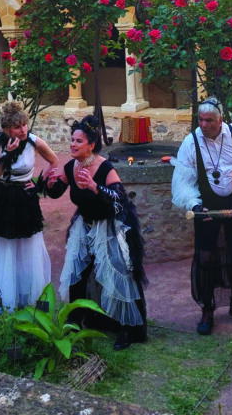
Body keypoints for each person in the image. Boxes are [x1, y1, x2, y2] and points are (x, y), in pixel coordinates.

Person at [45, 115, 148, 351]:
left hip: (110, 225)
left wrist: (95, 186)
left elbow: (119, 200)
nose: (72, 144)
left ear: (91, 145)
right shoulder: (72, 166)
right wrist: (50, 185)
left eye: (78, 141)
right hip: (85, 224)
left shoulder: (104, 167)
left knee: (117, 274)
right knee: (78, 271)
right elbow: (57, 191)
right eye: (72, 140)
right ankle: (76, 319)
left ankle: (127, 329)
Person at [172, 97, 232, 335]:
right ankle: (207, 309)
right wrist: (195, 205)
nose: (204, 124)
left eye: (209, 120)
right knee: (206, 258)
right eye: (200, 119)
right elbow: (183, 180)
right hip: (206, 209)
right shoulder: (191, 142)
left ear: (220, 120)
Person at [0, 101, 59, 311]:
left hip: (24, 197)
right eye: (18, 127)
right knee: (1, 247)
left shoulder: (33, 142)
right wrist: (8, 155)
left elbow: (54, 161)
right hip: (2, 198)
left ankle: (24, 297)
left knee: (27, 246)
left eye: (24, 125)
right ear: (6, 129)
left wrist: (39, 184)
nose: (23, 130)